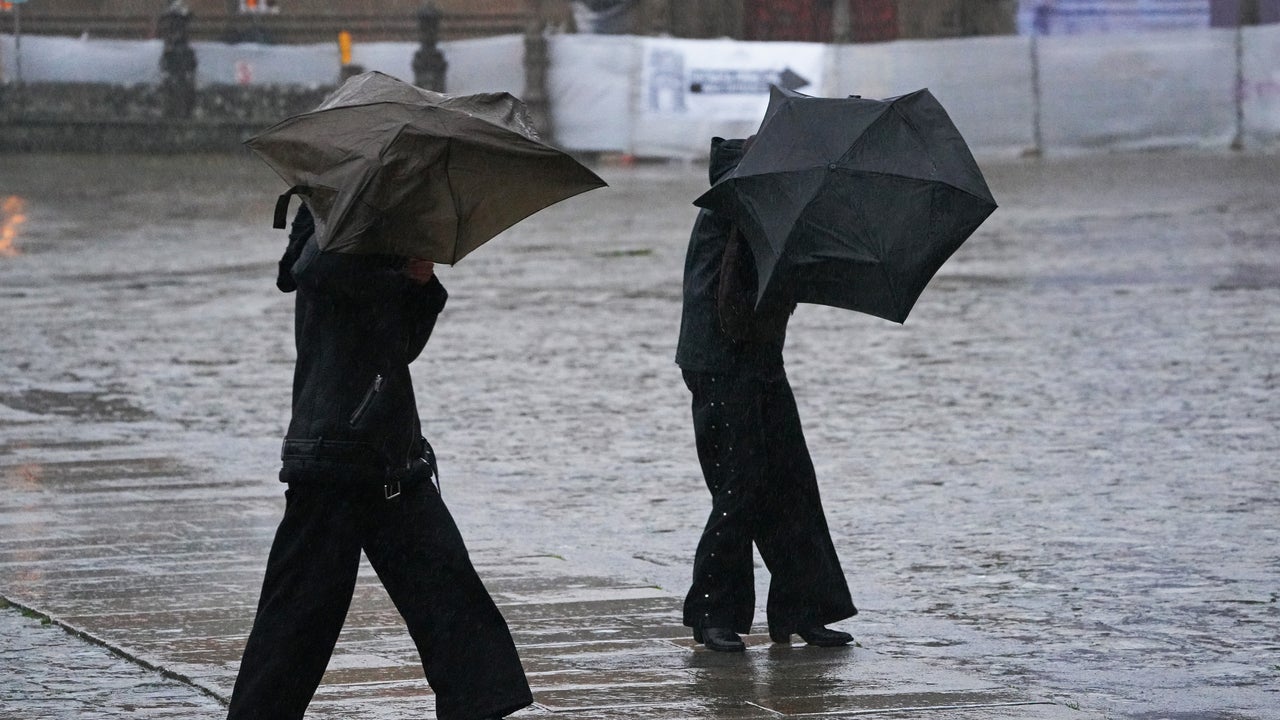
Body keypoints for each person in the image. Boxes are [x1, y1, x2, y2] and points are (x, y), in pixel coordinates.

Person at [226, 204, 533, 720]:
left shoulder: (384, 217)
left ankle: (479, 706)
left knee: (450, 594)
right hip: (335, 455)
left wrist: (418, 284)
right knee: (297, 618)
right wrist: (396, 271)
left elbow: (400, 345)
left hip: (388, 453)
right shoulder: (338, 209)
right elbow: (315, 270)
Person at [675, 136, 858, 652]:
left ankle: (804, 609)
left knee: (792, 478)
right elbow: (732, 297)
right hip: (719, 360)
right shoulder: (735, 205)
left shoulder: (773, 209)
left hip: (760, 356)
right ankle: (713, 613)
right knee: (741, 484)